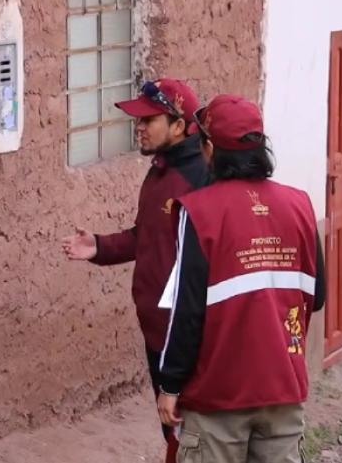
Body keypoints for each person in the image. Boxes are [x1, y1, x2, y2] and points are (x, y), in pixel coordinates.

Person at [155, 94, 327, 463]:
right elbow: (319, 294)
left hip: (218, 395)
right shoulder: (300, 205)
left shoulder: (199, 211)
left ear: (211, 148)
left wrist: (169, 384)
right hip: (283, 387)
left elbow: (187, 312)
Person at [62, 78, 209, 463]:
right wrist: (100, 246)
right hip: (157, 332)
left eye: (149, 120)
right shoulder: (159, 172)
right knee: (173, 433)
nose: (138, 126)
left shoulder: (200, 180)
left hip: (187, 338)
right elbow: (147, 236)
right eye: (138, 119)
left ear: (178, 125)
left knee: (192, 437)